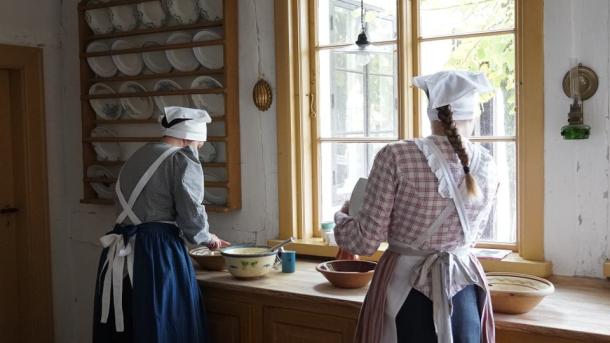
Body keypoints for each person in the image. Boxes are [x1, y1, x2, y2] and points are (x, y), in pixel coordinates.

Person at [334, 70, 499, 343]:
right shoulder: (487, 164)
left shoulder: (396, 155)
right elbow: (470, 236)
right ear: (472, 114)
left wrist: (341, 217)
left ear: (431, 111)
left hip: (405, 292)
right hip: (464, 291)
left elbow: (365, 242)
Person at [92, 106, 230, 343]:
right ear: (188, 138)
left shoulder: (138, 155)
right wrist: (207, 238)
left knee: (128, 325)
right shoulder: (182, 159)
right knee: (163, 323)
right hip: (155, 253)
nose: (198, 150)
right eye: (199, 144)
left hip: (120, 250)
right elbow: (191, 211)